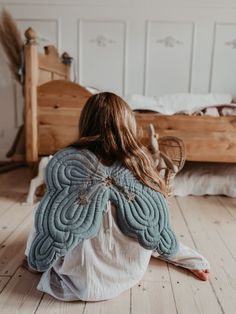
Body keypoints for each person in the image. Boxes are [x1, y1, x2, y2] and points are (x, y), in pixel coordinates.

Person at [24, 92, 210, 302]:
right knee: (142, 220)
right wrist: (193, 260)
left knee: (47, 211)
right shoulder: (142, 168)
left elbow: (50, 227)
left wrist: (35, 260)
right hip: (128, 274)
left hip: (76, 282)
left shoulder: (70, 166)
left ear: (86, 123)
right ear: (128, 125)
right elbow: (156, 228)